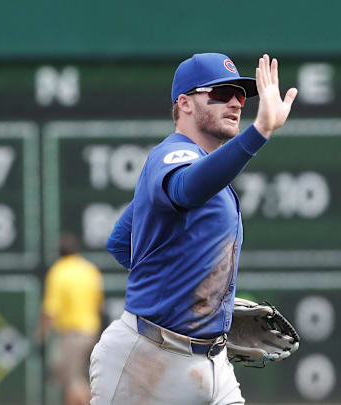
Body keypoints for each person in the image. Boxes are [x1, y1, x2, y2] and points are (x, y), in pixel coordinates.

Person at [90, 53, 297, 404]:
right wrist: (259, 132)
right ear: (184, 103)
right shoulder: (170, 156)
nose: (235, 102)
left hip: (212, 361)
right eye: (219, 93)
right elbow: (187, 187)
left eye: (241, 95)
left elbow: (120, 242)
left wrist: (188, 300)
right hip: (148, 361)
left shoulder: (203, 168)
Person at [39, 233, 104, 405]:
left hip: (72, 333)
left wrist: (42, 335)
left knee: (72, 380)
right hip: (90, 331)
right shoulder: (89, 269)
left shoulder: (59, 271)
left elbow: (51, 309)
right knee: (71, 376)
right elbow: (99, 303)